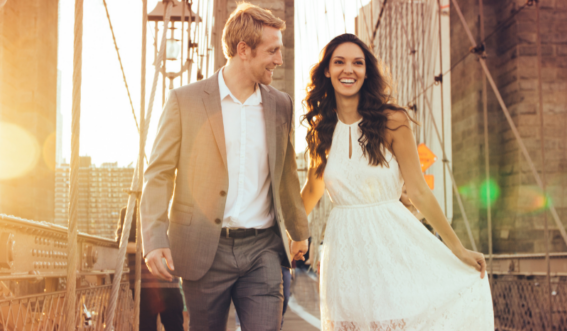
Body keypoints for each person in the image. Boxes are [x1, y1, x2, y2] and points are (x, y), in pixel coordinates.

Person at [299, 34, 494, 330]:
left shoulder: (393, 121)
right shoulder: (321, 130)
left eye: (357, 63)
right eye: (339, 62)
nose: (348, 70)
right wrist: (288, 234)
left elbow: (419, 191)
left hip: (391, 245)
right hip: (343, 250)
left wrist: (458, 249)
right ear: (327, 70)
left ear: (367, 72)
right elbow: (312, 191)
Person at [139, 3, 310, 330]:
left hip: (263, 250)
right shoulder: (183, 100)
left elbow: (286, 174)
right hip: (204, 249)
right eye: (273, 51)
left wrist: (299, 231)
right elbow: (158, 173)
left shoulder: (281, 104)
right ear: (243, 50)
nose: (280, 60)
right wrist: (155, 238)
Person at [118, 208, 185, 331]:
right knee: (146, 327)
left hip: (170, 282)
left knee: (175, 326)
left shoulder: (170, 208)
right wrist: (152, 249)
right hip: (143, 285)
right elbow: (123, 245)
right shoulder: (130, 211)